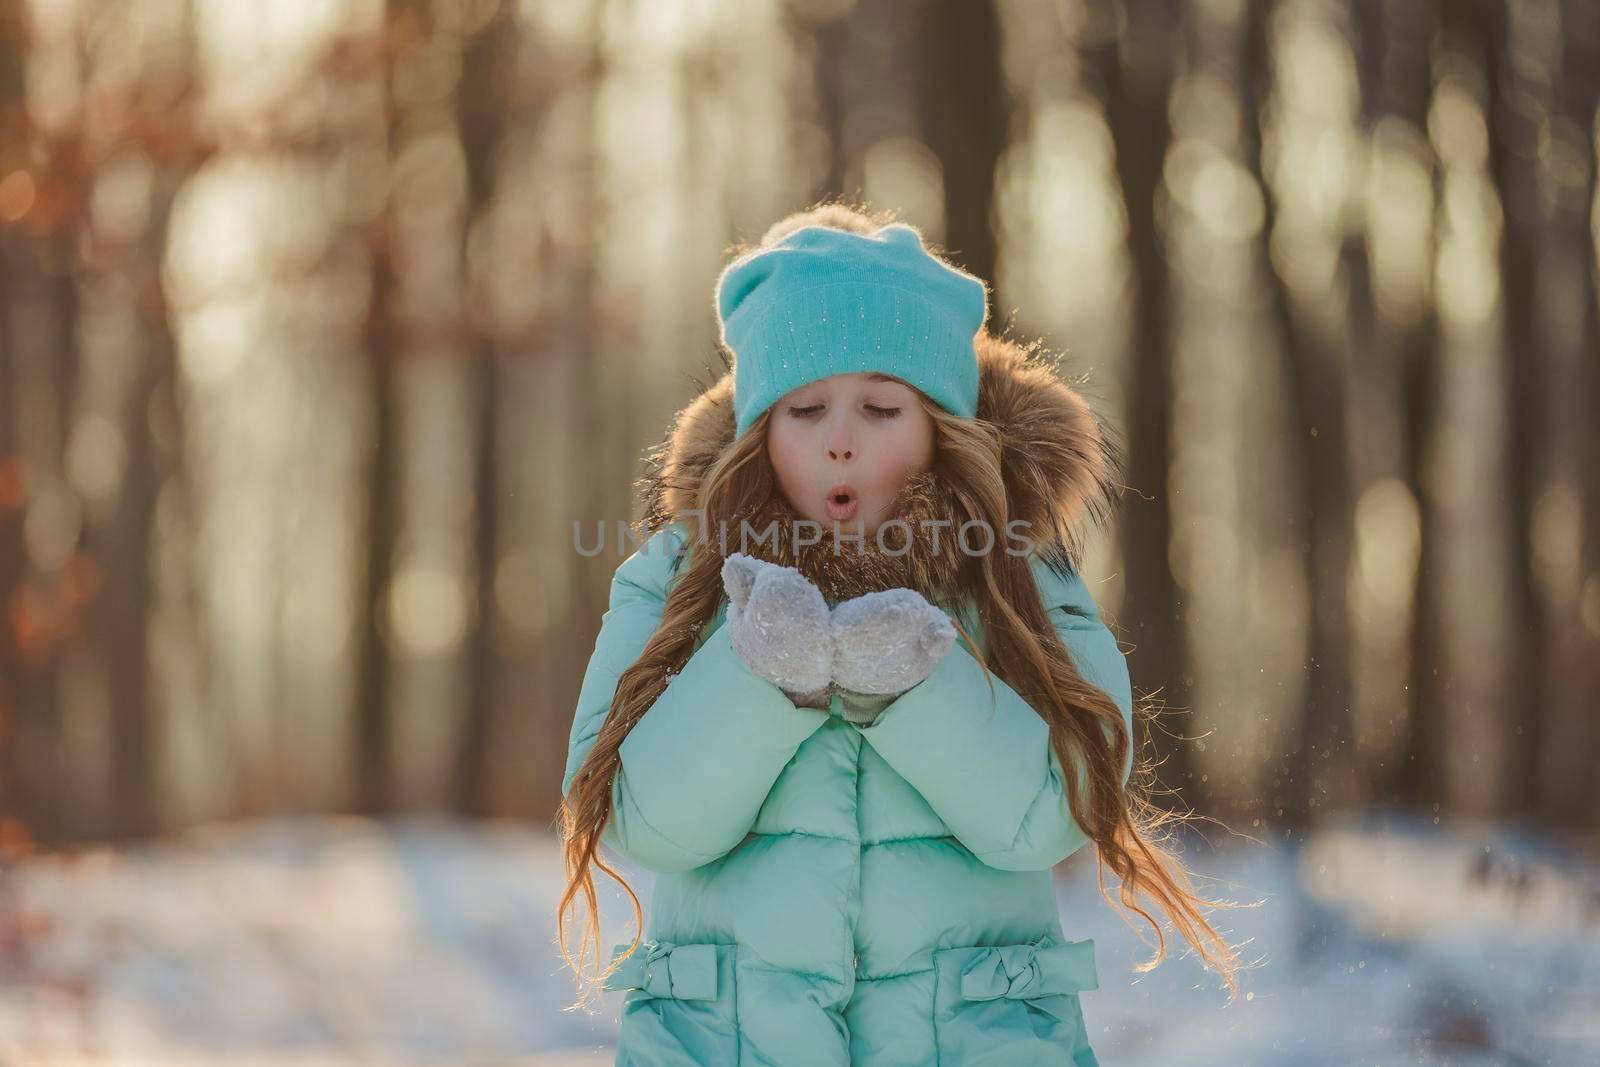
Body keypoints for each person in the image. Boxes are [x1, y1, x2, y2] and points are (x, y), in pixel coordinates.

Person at [557, 203, 1242, 1066]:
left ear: (938, 424)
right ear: (759, 431)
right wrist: (761, 677)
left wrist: (918, 686)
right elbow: (637, 818)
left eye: (881, 409)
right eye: (804, 410)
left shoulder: (1014, 574)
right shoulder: (680, 578)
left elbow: (1052, 815)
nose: (839, 443)